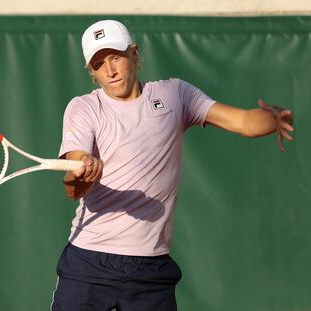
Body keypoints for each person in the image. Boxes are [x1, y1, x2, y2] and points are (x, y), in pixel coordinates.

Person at [50, 20, 294, 311]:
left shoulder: (174, 95)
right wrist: (83, 174)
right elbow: (72, 187)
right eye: (99, 64)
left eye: (115, 57)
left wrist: (274, 119)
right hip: (89, 262)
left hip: (151, 268)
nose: (110, 71)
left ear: (133, 52)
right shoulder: (84, 108)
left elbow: (242, 121)